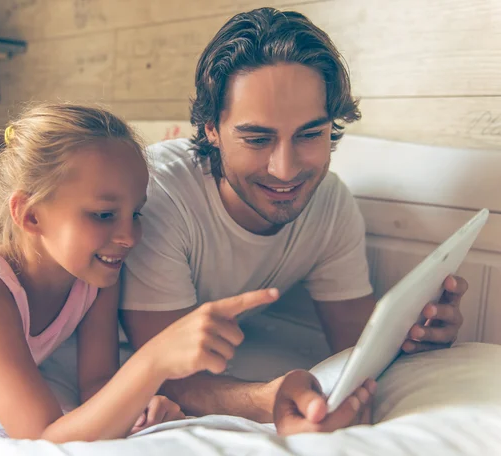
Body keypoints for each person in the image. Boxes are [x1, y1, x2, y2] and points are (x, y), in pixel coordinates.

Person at [120, 7, 467, 435]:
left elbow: (356, 346)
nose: (285, 170)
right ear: (211, 128)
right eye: (257, 138)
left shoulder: (331, 202)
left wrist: (415, 340)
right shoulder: (160, 193)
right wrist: (268, 399)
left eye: (309, 135)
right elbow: (168, 372)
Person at [0, 103, 306, 442]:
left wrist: (138, 405)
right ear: (30, 215)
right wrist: (155, 361)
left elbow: (96, 384)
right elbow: (42, 435)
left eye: (136, 212)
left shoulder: (95, 275)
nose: (129, 236)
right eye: (104, 214)